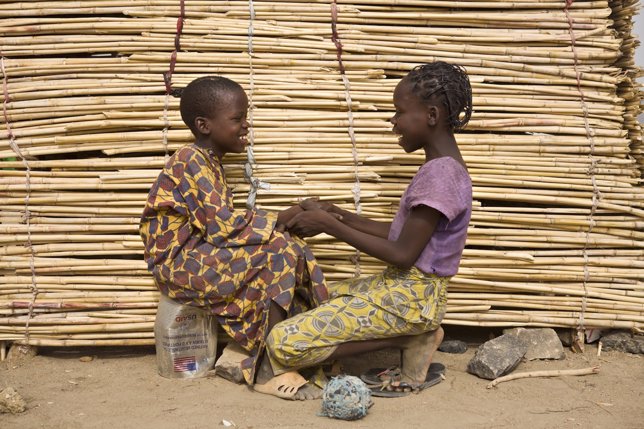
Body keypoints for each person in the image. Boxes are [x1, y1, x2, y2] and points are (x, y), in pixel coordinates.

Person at [257, 61, 473, 399]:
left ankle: (412, 338)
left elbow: (403, 255)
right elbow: (402, 233)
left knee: (282, 342)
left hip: (412, 300)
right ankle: (411, 336)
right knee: (321, 299)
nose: (393, 122)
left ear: (431, 115)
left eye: (399, 112)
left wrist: (329, 225)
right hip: (405, 291)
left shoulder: (441, 174)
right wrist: (338, 214)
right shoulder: (441, 168)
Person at [139, 76, 328, 390]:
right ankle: (269, 366)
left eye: (245, 118)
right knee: (279, 248)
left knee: (290, 247)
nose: (246, 126)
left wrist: (287, 222)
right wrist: (283, 217)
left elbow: (220, 229)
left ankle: (291, 347)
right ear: (204, 125)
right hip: (178, 267)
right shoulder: (190, 161)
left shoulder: (209, 163)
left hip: (199, 258)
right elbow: (222, 227)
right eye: (237, 119)